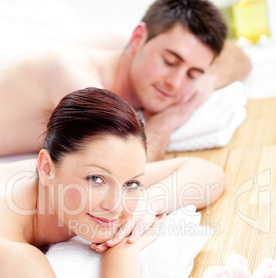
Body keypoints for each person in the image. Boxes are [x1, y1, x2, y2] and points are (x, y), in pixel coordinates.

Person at [0, 87, 226, 278]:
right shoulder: (7, 249)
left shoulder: (71, 184)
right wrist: (125, 246)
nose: (117, 206)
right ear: (46, 168)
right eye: (96, 179)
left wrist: (146, 203)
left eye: (131, 183)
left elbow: (208, 173)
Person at [0, 0, 251, 160]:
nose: (176, 83)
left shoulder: (120, 47)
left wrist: (204, 81)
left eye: (192, 73)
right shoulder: (77, 78)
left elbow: (240, 57)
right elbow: (122, 167)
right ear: (139, 37)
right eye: (170, 62)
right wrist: (165, 122)